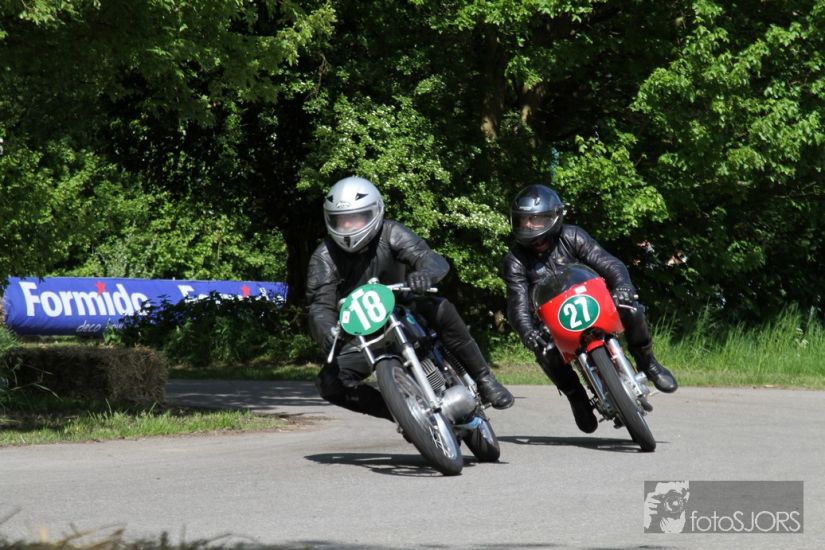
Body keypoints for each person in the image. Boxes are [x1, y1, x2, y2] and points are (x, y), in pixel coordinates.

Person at [306, 176, 514, 422]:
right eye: (342, 220)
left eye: (357, 218)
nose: (349, 226)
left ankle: (485, 380)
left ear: (375, 211)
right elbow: (319, 305)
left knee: (442, 308)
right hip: (362, 330)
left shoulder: (391, 232)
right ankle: (402, 415)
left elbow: (428, 257)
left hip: (405, 307)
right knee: (329, 383)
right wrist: (327, 331)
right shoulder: (324, 257)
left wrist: (425, 274)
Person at [502, 184, 677, 433]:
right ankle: (577, 398)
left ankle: (648, 363)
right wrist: (526, 331)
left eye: (536, 220)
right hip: (553, 322)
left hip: (593, 302)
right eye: (524, 221)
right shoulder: (515, 260)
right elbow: (517, 303)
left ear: (553, 217)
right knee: (543, 349)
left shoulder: (573, 236)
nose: (530, 227)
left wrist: (623, 286)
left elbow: (609, 263)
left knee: (631, 308)